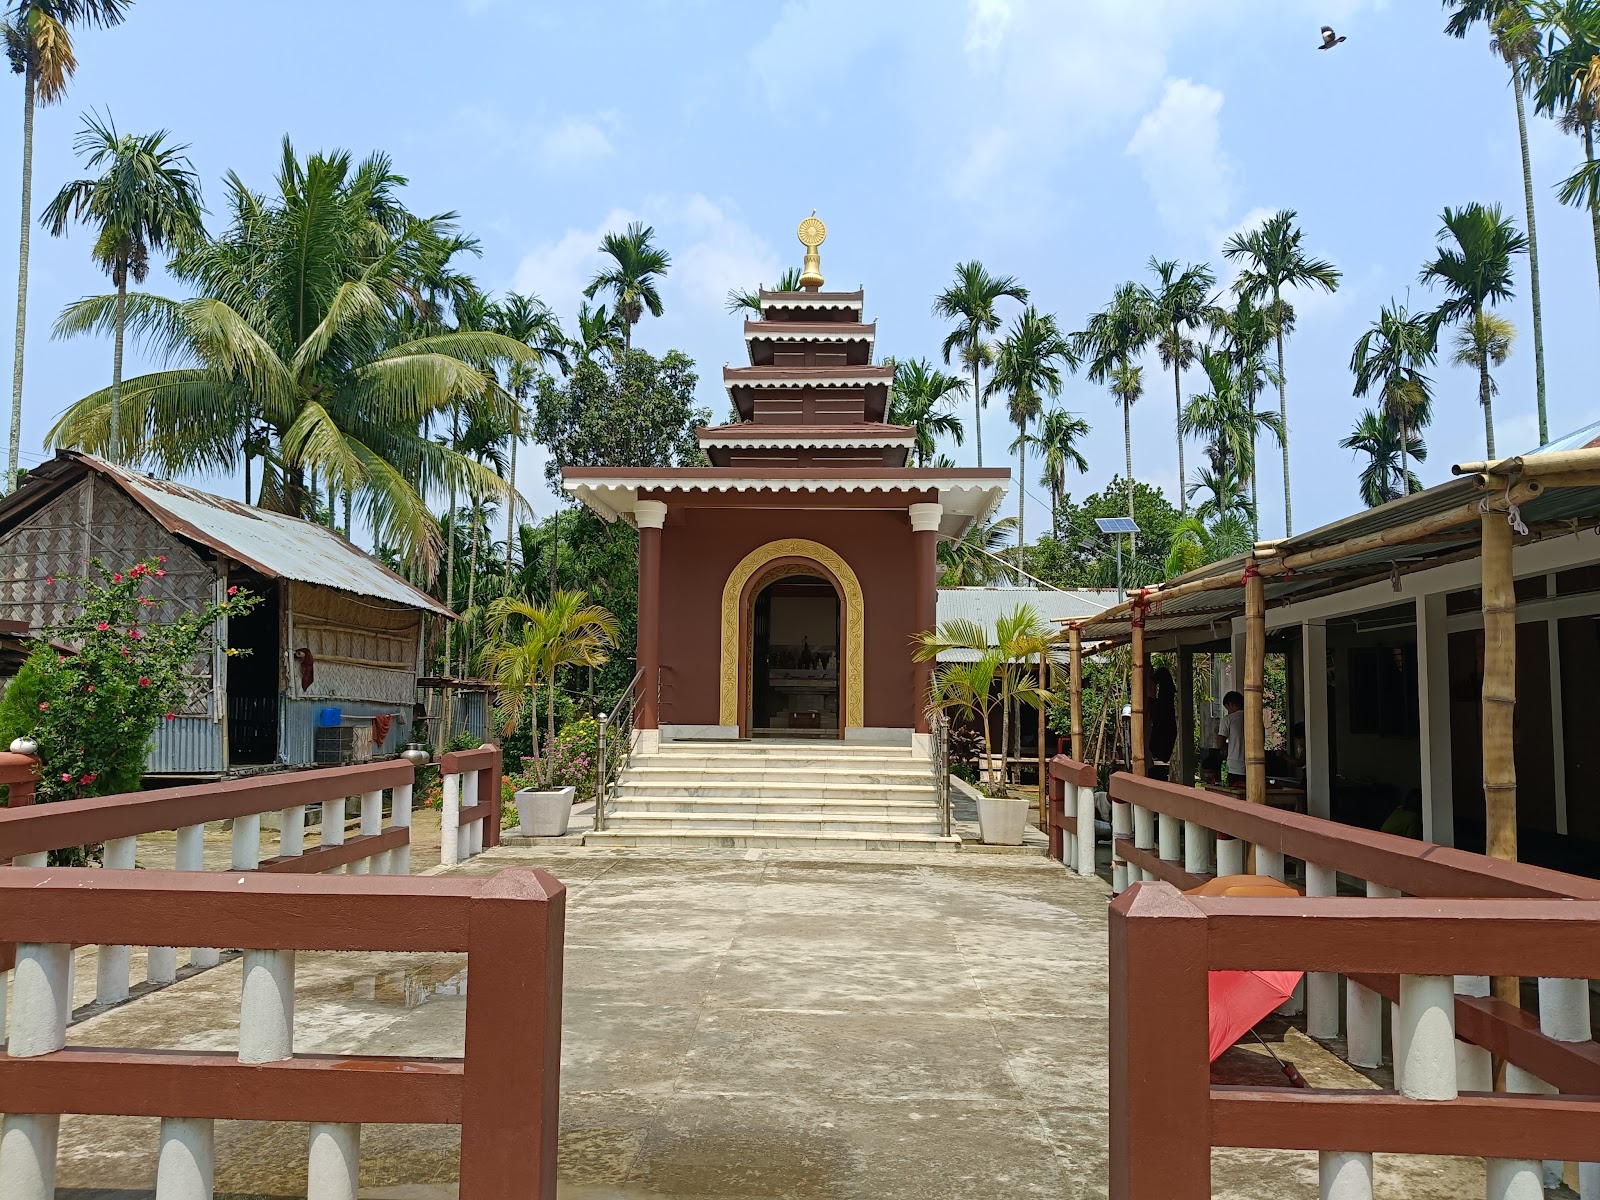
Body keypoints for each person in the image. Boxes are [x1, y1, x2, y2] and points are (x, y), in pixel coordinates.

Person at [1217, 691, 1246, 785]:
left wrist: (1225, 750)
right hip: (1255, 766)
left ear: (1231, 704)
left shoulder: (1228, 719)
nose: (1228, 711)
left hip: (1235, 766)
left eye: (1227, 708)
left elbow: (1220, 743)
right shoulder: (1255, 718)